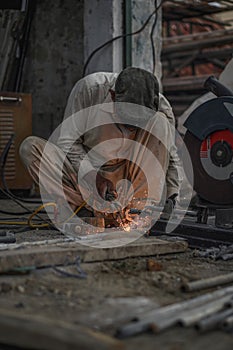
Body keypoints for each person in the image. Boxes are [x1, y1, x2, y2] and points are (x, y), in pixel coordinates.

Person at [19, 67, 181, 223]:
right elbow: (67, 142)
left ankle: (138, 210)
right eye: (127, 120)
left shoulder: (161, 106)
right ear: (112, 95)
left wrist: (172, 198)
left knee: (160, 123)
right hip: (87, 172)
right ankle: (80, 208)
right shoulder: (89, 91)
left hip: (129, 177)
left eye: (139, 122)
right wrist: (91, 174)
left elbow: (171, 157)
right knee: (30, 148)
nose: (132, 128)